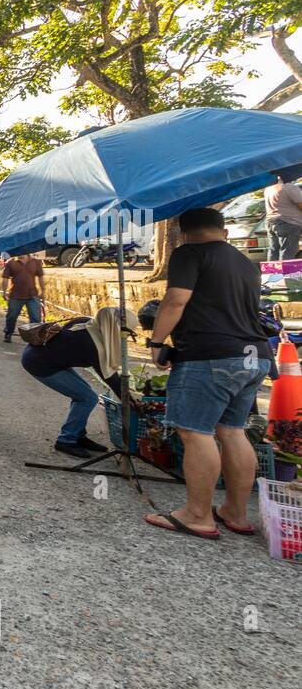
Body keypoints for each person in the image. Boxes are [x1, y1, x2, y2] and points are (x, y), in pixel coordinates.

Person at [143, 207, 273, 540]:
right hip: (254, 356)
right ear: (224, 231)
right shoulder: (246, 262)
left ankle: (198, 515)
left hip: (210, 356)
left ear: (183, 232)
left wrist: (157, 341)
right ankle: (236, 512)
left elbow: (175, 300)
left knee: (195, 432)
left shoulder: (189, 253)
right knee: (232, 431)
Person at [20, 307, 135, 459]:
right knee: (87, 398)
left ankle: (78, 434)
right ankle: (66, 440)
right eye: (124, 333)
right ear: (113, 328)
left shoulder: (87, 323)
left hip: (46, 357)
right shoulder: (94, 345)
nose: (125, 337)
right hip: (39, 362)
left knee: (84, 393)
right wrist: (130, 401)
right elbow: (110, 378)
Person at [2, 251, 46, 342]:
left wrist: (43, 291)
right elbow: (5, 278)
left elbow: (41, 277)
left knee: (36, 318)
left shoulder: (35, 262)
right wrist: (4, 291)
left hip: (32, 295)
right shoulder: (11, 263)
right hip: (15, 295)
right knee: (11, 316)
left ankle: (34, 337)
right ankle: (8, 333)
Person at [265, 171, 302, 262]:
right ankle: (285, 275)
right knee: (288, 251)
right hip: (288, 222)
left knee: (274, 250)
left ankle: (272, 274)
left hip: (270, 222)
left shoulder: (269, 188)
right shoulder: (289, 187)